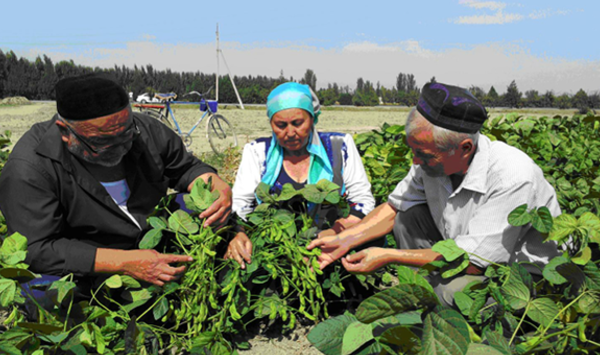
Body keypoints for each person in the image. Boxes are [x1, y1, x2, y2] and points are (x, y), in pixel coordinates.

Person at [308, 82, 561, 306]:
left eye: (425, 155)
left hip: (517, 278)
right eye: (414, 151)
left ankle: (449, 311)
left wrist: (390, 257)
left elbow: (473, 262)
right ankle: (428, 294)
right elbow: (393, 209)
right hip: (462, 250)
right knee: (406, 218)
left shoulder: (513, 176)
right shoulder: (431, 161)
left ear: (464, 148)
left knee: (450, 293)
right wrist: (346, 239)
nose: (415, 162)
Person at [0, 74, 232, 287]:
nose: (122, 147)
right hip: (91, 259)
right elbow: (38, 248)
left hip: (150, 236)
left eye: (126, 134)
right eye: (103, 142)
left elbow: (187, 168)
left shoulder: (145, 130)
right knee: (42, 291)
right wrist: (124, 263)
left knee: (196, 204)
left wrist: (216, 184)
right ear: (65, 132)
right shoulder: (30, 167)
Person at [226, 82, 375, 268]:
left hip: (334, 245)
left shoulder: (340, 146)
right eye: (280, 125)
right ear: (271, 123)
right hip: (275, 247)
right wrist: (240, 232)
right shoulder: (257, 152)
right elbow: (241, 204)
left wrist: (337, 231)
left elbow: (363, 201)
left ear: (313, 118)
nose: (290, 133)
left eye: (298, 123)